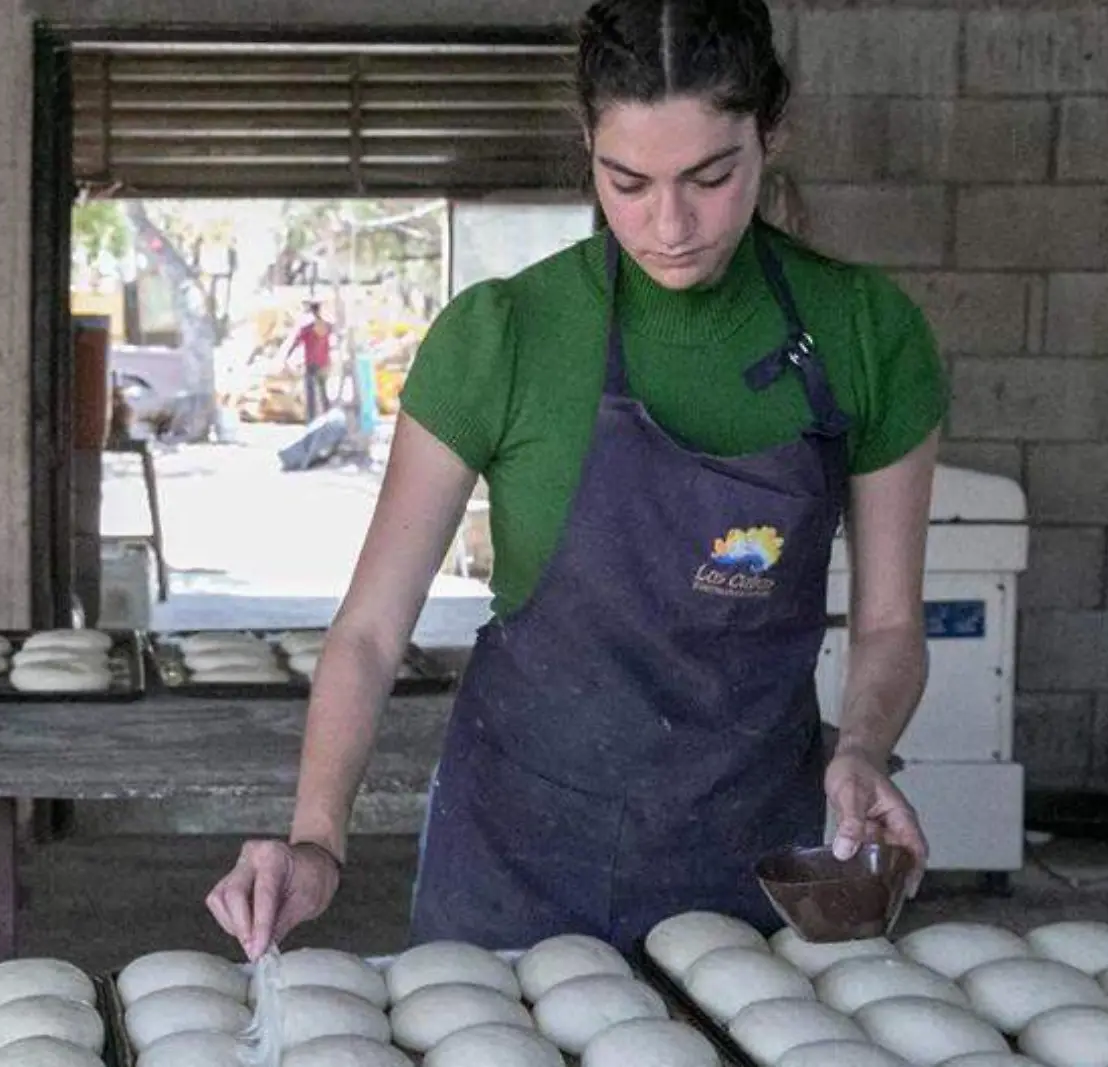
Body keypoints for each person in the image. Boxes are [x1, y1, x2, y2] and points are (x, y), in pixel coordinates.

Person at [207, 0, 946, 960]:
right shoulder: (502, 336)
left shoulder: (864, 334)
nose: (669, 224)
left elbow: (891, 626)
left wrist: (860, 749)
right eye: (627, 181)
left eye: (712, 177)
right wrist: (317, 839)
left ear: (771, 134)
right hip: (516, 855)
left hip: (749, 856)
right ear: (586, 146)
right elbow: (371, 629)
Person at [278, 300, 334, 422]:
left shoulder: (307, 329)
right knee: (323, 391)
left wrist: (287, 357)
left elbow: (295, 343)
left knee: (311, 394)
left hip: (311, 363)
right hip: (323, 363)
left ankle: (312, 419)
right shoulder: (327, 326)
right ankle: (327, 416)